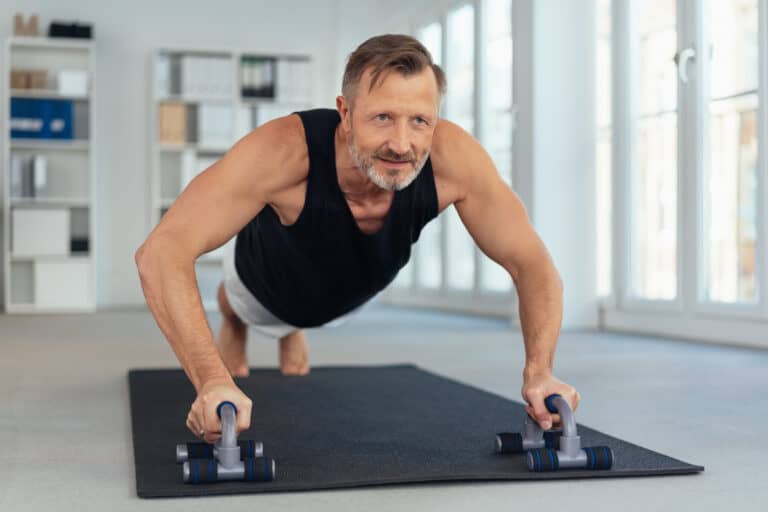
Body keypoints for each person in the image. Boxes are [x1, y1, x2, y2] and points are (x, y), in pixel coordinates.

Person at [135, 34, 580, 444]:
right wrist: (211, 379)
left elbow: (532, 264)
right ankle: (239, 320)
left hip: (353, 286)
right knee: (245, 306)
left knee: (306, 315)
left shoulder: (454, 159)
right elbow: (161, 252)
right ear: (345, 115)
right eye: (383, 117)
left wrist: (541, 371)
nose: (402, 144)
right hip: (263, 277)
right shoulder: (281, 151)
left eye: (420, 121)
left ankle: (294, 329)